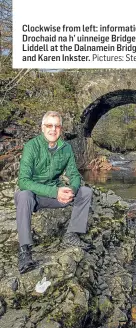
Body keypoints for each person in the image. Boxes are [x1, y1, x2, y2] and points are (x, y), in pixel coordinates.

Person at [14, 111, 92, 274]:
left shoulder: (66, 148)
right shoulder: (31, 147)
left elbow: (74, 175)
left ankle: (71, 235)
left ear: (61, 129)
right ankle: (25, 251)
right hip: (34, 197)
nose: (53, 129)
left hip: (55, 195)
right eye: (49, 125)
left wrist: (72, 190)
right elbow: (23, 181)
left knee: (85, 192)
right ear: (43, 128)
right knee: (23, 195)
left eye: (57, 126)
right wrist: (55, 191)